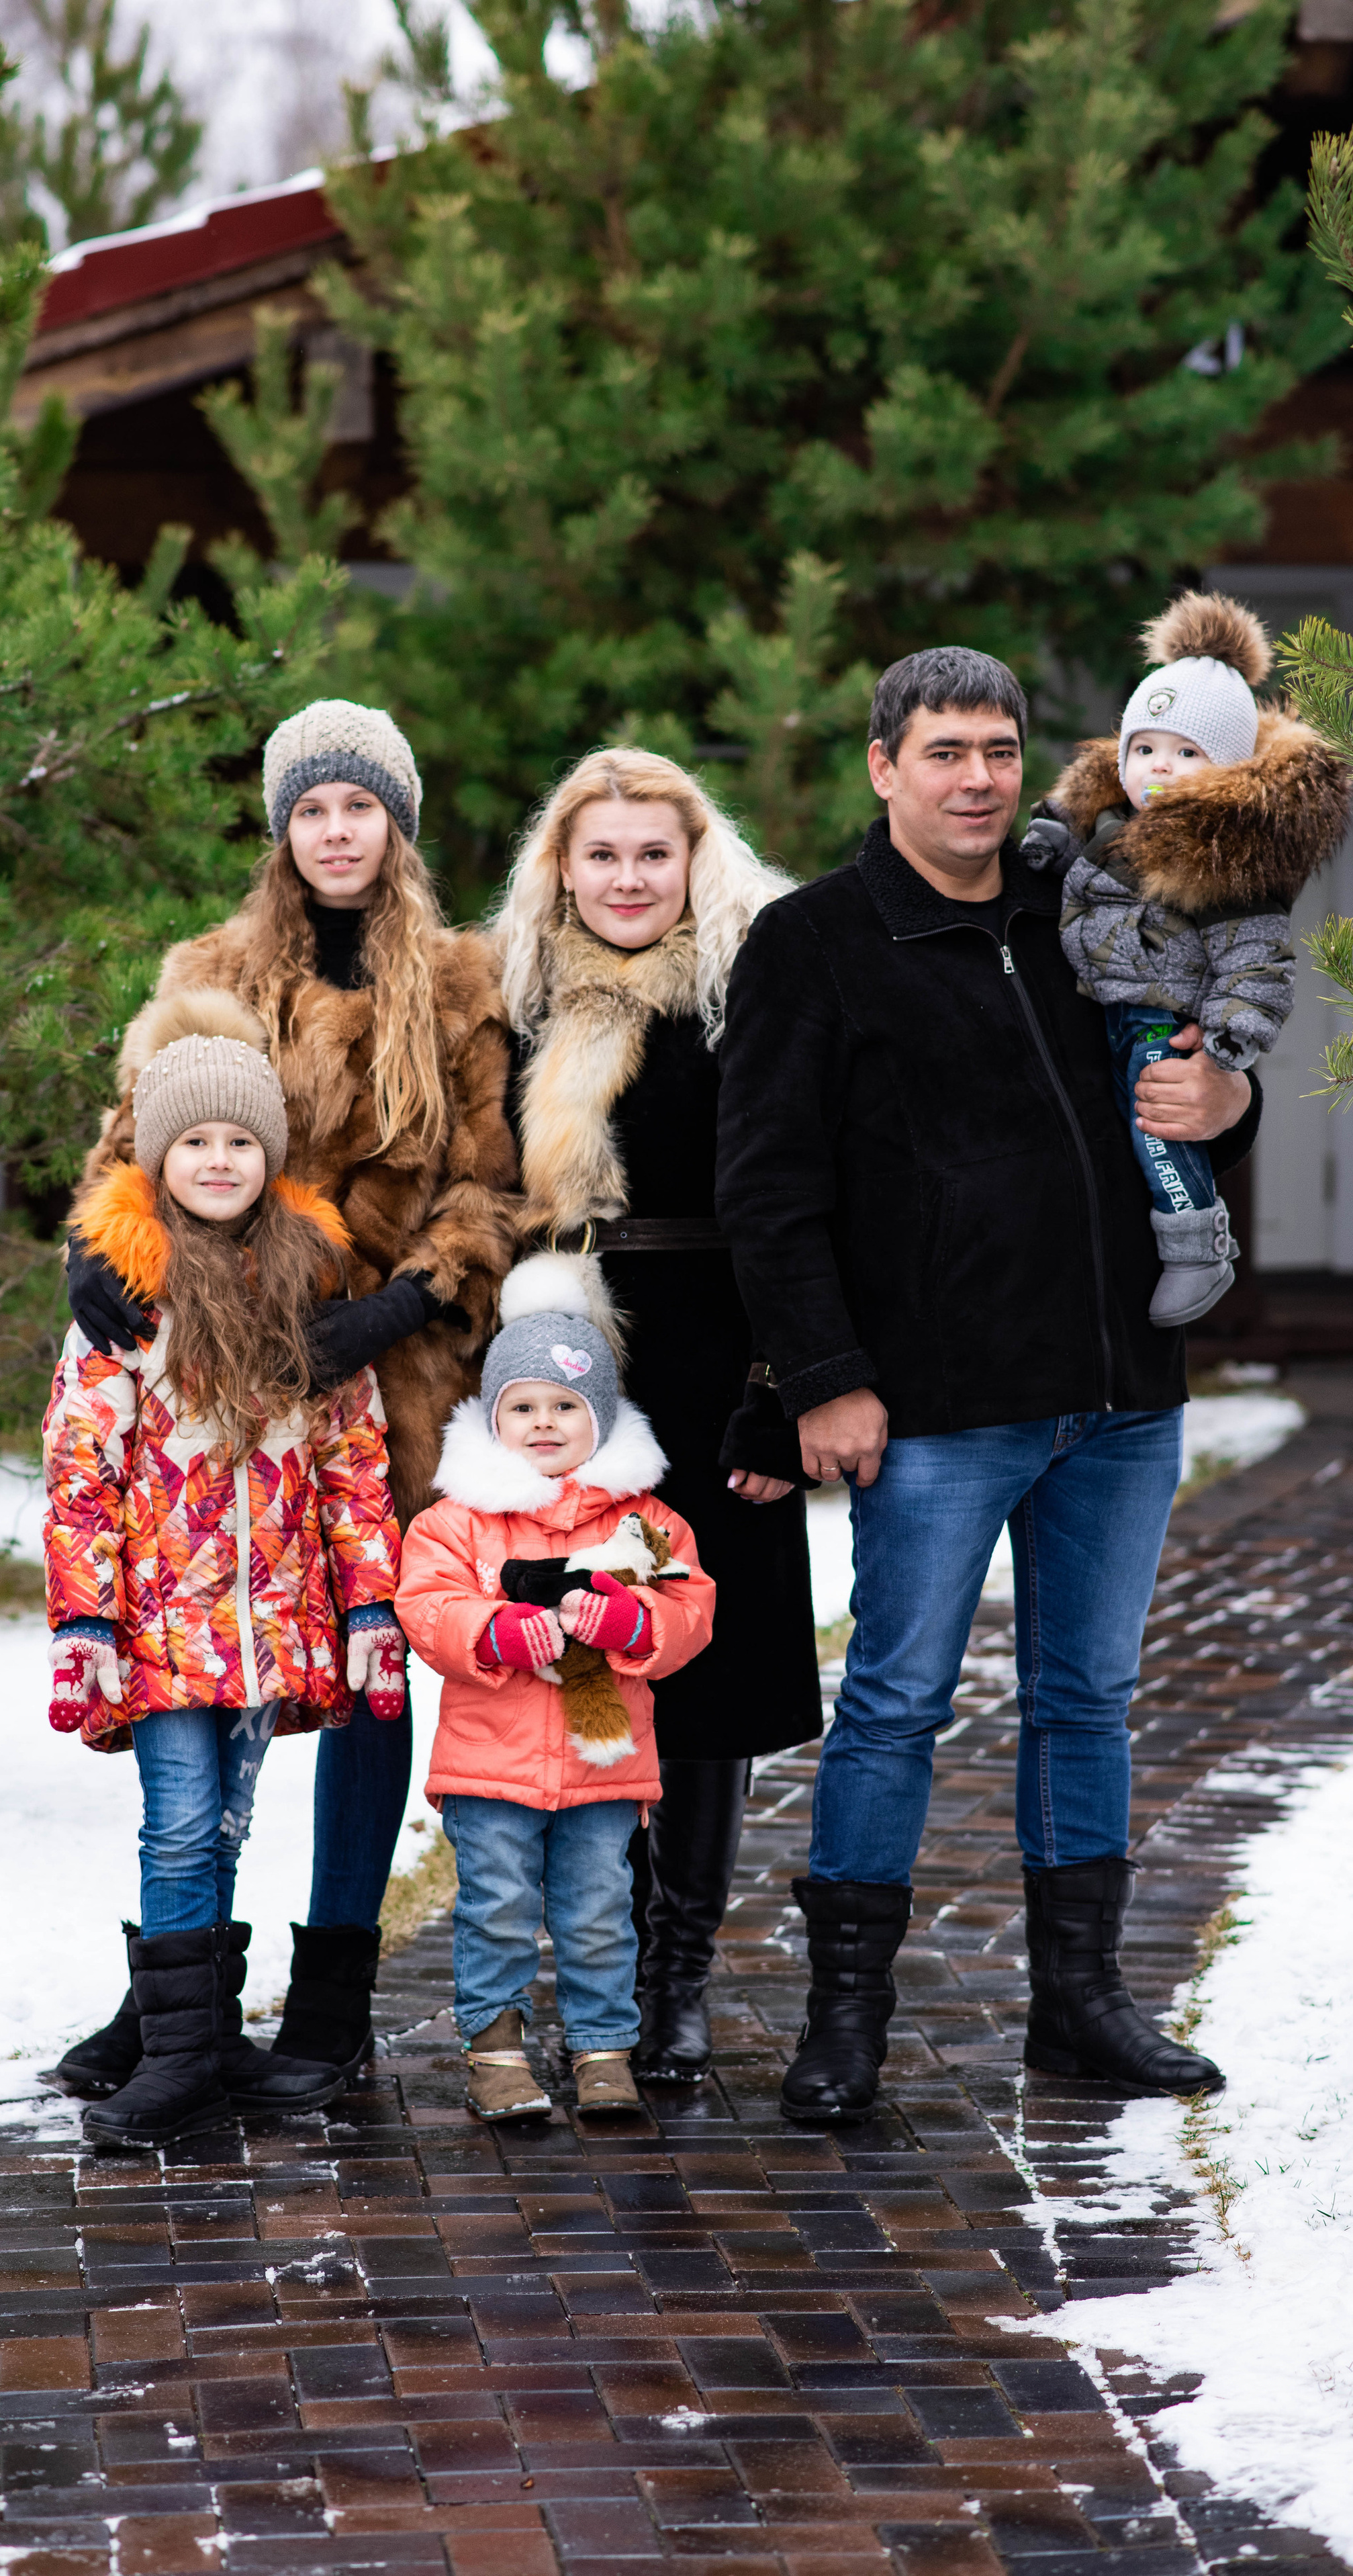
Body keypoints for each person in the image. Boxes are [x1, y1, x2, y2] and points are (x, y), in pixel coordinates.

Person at [716, 643, 1267, 2125]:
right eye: (945, 751)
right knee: (896, 1702)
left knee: (1086, 1700)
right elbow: (767, 1193)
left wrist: (1228, 1100)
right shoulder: (814, 945)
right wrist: (824, 1379)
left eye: (1000, 750)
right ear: (883, 765)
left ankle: (1078, 2004)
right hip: (939, 1405)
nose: (977, 779)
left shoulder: (1083, 903)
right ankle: (844, 2022)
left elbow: (1183, 1078)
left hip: (1119, 1388)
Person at [50, 701, 519, 2103]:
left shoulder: (458, 987)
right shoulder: (211, 972)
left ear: (396, 822)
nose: (335, 830)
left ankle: (330, 1997)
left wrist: (395, 1309)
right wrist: (95, 1250)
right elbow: (128, 1146)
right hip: (211, 1371)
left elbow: (487, 1190)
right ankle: (177, 1999)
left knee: (365, 1664)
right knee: (205, 1667)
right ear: (281, 828)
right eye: (311, 808)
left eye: (359, 805)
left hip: (380, 1381)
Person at [494, 748, 821, 2085]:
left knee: (705, 1682)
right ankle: (604, 1966)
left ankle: (675, 1975)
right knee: (586, 1661)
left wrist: (778, 1393)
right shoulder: (515, 1003)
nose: (628, 878)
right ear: (561, 869)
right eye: (602, 854)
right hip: (568, 1371)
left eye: (652, 853)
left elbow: (804, 1200)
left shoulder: (754, 992)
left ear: (695, 860)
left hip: (720, 1365)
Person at [43, 993, 404, 2149]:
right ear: (155, 1157)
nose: (217, 1159)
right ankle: (179, 2061)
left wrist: (371, 1600)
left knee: (228, 1824)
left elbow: (353, 1458)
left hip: (271, 1622)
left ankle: (200, 2041)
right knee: (180, 1823)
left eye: (240, 1140)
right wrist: (86, 1621)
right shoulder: (125, 1300)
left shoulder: (308, 1290)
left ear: (271, 1155)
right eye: (193, 1140)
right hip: (163, 1626)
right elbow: (80, 1470)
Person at [395, 1259, 715, 2121]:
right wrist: (491, 1631)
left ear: (600, 1417)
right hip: (489, 1766)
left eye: (566, 1406)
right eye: (524, 1406)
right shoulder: (455, 1521)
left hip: (601, 1764)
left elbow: (689, 1606)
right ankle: (495, 2050)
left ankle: (602, 2048)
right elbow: (426, 1605)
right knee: (497, 1908)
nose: (544, 1423)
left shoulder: (644, 1523)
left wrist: (633, 1623)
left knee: (600, 1911)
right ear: (492, 1417)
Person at [1023, 592, 1350, 1326]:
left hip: (1162, 1024)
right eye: (1144, 750)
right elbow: (1084, 872)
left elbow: (1256, 957)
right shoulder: (1110, 825)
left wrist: (1234, 1034)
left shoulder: (1223, 855)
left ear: (1226, 769)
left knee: (1158, 1128)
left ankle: (1198, 1246)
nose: (1159, 768)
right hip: (1104, 1010)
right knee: (1120, 1120)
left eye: (1186, 754)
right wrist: (1053, 843)